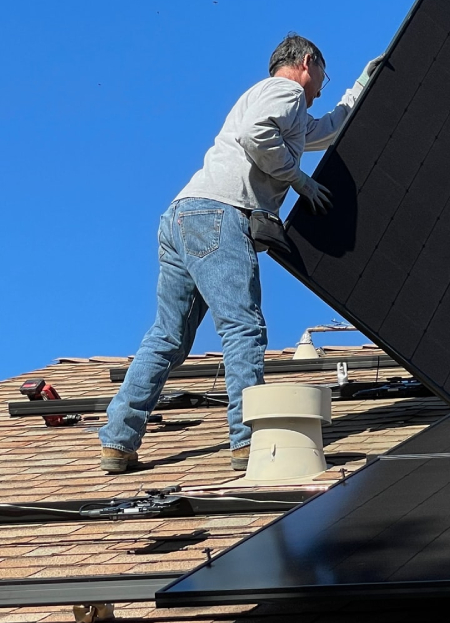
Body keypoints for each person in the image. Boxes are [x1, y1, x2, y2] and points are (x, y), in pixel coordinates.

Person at [99, 34, 383, 473]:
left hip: (181, 216)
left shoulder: (275, 102)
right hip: (219, 214)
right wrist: (299, 181)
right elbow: (257, 136)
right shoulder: (285, 91)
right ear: (307, 62)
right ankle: (248, 442)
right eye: (325, 74)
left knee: (167, 337)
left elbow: (325, 130)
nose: (325, 84)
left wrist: (363, 85)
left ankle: (118, 440)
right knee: (243, 327)